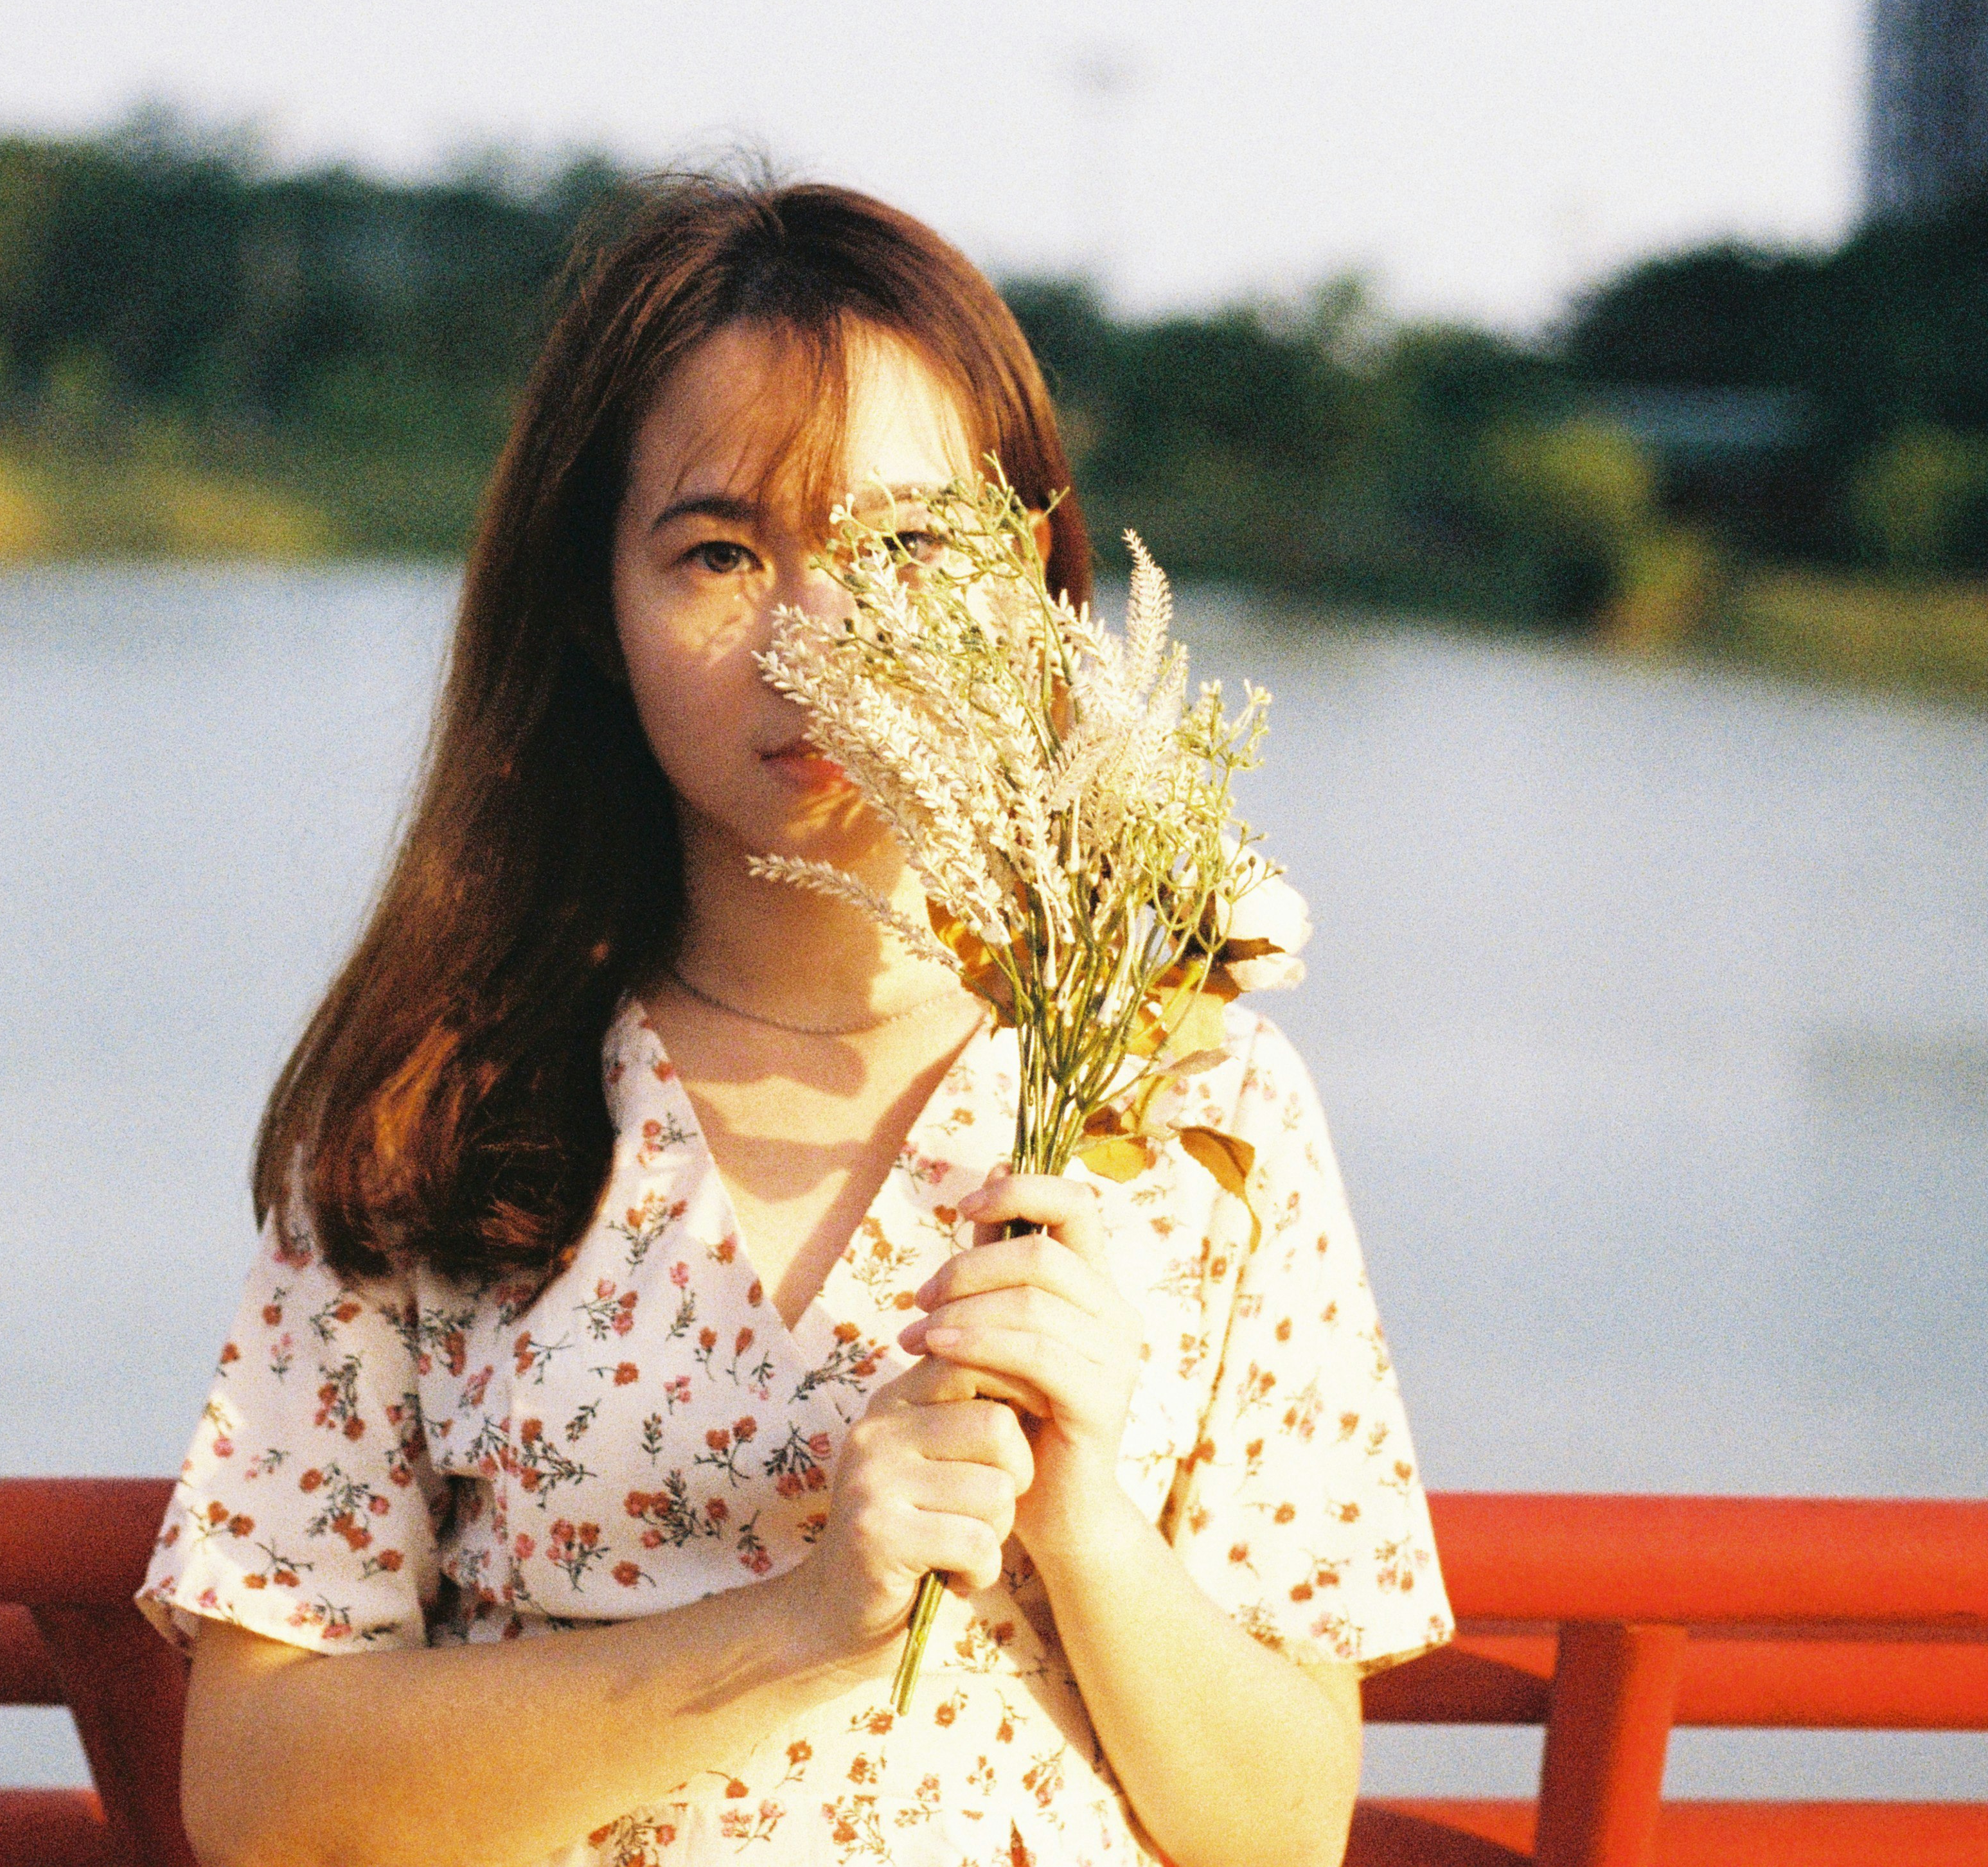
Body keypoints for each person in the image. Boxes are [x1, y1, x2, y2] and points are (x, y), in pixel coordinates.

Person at [139, 175, 1450, 1867]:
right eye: (719, 551)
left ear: (1040, 584)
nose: (822, 634)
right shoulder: (438, 1112)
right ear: (598, 611)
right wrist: (802, 1615)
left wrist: (1082, 1514)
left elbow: (1285, 1831)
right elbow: (258, 1796)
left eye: (908, 545)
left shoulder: (1196, 1102)